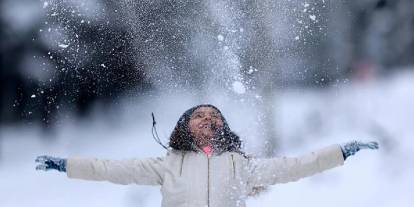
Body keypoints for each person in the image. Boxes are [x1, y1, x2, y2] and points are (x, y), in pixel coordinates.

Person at [35, 104, 379, 207]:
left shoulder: (240, 165)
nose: (208, 119)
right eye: (199, 115)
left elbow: (293, 167)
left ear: (223, 127)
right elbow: (110, 168)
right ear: (184, 126)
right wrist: (67, 165)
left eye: (214, 116)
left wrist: (340, 152)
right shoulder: (167, 165)